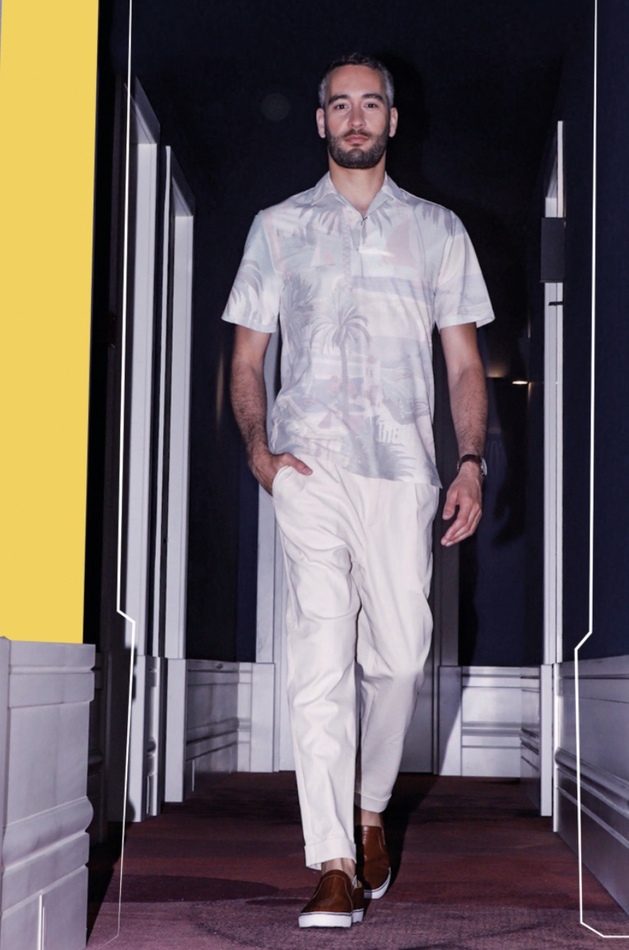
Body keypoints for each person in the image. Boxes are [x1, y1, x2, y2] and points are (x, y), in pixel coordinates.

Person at [223, 51, 494, 929]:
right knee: (317, 659)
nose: (353, 117)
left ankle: (370, 806)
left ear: (391, 120)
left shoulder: (438, 231)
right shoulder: (277, 227)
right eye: (338, 104)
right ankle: (333, 861)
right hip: (307, 469)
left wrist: (469, 460)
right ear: (319, 121)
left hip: (404, 472)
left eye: (369, 103)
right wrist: (261, 452)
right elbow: (247, 358)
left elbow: (463, 363)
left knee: (402, 654)